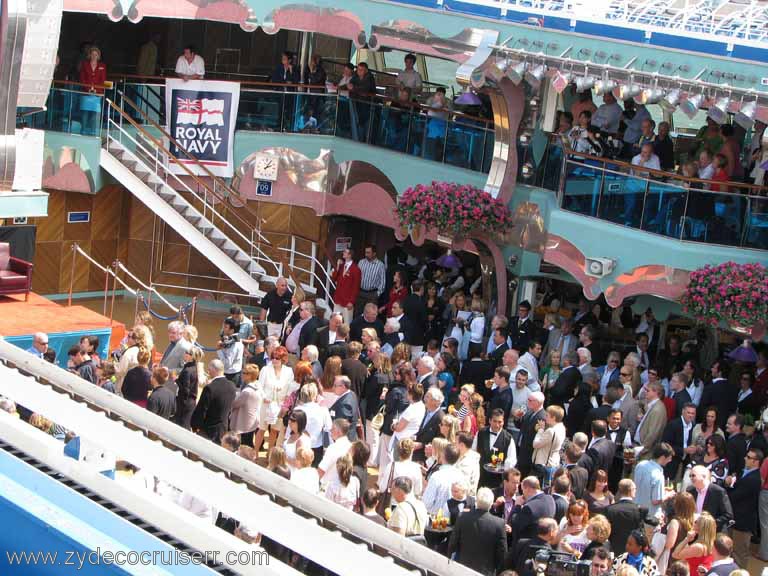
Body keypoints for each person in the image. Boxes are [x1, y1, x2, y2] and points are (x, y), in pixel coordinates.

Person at [448, 487, 507, 576]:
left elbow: (452, 544)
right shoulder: (499, 524)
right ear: (491, 504)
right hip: (486, 571)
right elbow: (502, 553)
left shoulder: (462, 517)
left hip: (462, 569)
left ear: (477, 501)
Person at [724, 447, 763, 568]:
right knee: (731, 552)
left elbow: (735, 496)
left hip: (743, 523)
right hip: (736, 519)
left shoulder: (753, 479)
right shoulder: (745, 473)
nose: (745, 459)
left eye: (749, 457)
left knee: (739, 554)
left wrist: (728, 485)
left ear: (756, 462)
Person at [253, 346, 295, 455]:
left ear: (283, 359)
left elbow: (290, 388)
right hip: (266, 404)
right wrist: (264, 397)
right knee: (262, 429)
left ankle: (269, 455)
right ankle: (255, 452)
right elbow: (259, 386)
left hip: (280, 405)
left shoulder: (289, 371)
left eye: (277, 358)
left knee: (274, 431)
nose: (275, 360)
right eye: (273, 358)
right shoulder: (265, 369)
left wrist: (286, 399)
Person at [190, 359, 237, 444]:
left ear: (213, 370)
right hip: (223, 429)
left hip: (208, 430)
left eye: (209, 369)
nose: (208, 372)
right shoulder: (232, 386)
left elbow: (202, 410)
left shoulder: (210, 388)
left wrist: (195, 425)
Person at [604, 479, 646, 555]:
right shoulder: (638, 510)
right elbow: (641, 530)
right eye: (635, 489)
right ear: (631, 491)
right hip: (632, 552)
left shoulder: (610, 509)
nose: (635, 491)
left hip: (614, 549)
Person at [686, 465, 734, 531]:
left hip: (713, 532)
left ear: (704, 476)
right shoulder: (690, 490)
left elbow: (728, 515)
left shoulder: (718, 491)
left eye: (693, 475)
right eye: (690, 476)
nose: (691, 478)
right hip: (694, 531)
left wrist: (708, 524)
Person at [509, 476, 556, 543]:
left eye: (523, 490)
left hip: (529, 546)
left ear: (528, 489)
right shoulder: (550, 499)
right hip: (546, 542)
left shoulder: (529, 507)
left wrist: (517, 506)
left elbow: (514, 524)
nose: (523, 494)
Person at [422, 443, 465, 515]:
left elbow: (427, 502)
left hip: (437, 519)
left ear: (442, 456)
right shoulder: (461, 475)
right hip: (455, 517)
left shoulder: (436, 476)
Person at [531, 405, 566, 487]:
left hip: (544, 464)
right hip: (553, 462)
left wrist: (540, 430)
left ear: (553, 418)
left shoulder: (551, 431)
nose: (545, 417)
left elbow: (535, 444)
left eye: (547, 415)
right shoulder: (561, 427)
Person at [663, 402, 697, 480]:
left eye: (693, 413)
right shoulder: (673, 425)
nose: (691, 415)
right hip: (671, 461)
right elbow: (666, 444)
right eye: (688, 412)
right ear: (683, 412)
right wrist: (684, 450)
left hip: (685, 463)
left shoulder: (694, 426)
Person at [634, 382, 668, 460]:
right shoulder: (653, 405)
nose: (645, 392)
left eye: (648, 391)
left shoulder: (658, 410)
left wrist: (642, 450)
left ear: (656, 392)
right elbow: (642, 403)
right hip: (640, 446)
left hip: (646, 452)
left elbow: (653, 434)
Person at [175, 346, 206, 430]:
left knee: (181, 427)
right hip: (191, 402)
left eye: (187, 353)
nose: (185, 354)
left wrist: (177, 380)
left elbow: (186, 390)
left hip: (185, 403)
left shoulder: (187, 370)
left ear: (192, 356)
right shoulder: (194, 368)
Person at [331, 248, 361, 325]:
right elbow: (334, 278)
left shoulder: (356, 269)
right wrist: (337, 266)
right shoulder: (341, 266)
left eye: (345, 252)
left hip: (347, 301)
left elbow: (356, 287)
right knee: (335, 320)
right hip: (338, 299)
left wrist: (351, 301)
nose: (343, 253)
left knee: (346, 323)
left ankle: (346, 337)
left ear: (350, 255)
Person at [356, 245, 386, 316]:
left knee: (370, 314)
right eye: (365, 252)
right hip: (360, 292)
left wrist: (377, 294)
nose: (366, 254)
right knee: (358, 314)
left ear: (374, 253)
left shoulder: (380, 265)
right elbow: (356, 277)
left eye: (368, 253)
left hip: (372, 294)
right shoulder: (361, 262)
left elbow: (383, 281)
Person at [330, 375, 361, 441]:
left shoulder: (344, 404)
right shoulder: (351, 394)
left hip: (344, 440)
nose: (333, 388)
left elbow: (342, 426)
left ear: (343, 387)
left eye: (335, 385)